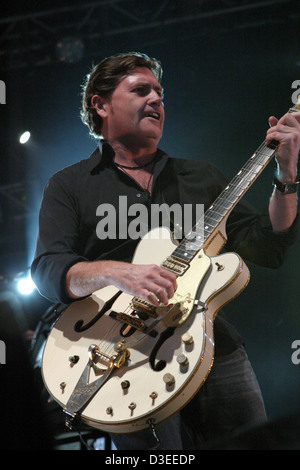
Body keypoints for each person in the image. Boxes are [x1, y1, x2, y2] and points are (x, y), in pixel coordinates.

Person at [31, 52, 300, 450]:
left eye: (160, 92)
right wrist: (119, 273)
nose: (156, 99)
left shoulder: (201, 176)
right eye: (141, 90)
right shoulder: (69, 185)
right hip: (125, 358)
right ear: (100, 104)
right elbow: (48, 269)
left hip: (212, 348)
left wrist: (287, 174)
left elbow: (268, 244)